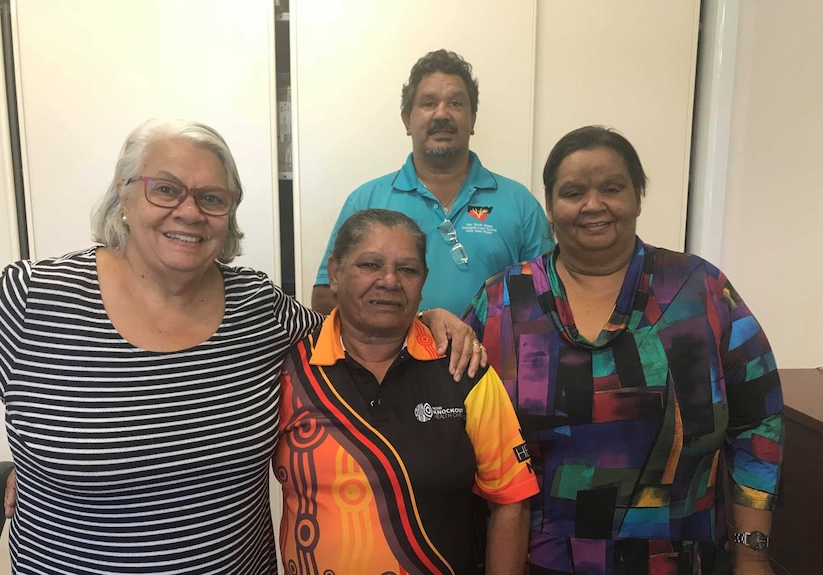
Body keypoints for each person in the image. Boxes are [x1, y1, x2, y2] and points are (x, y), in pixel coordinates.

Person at [0, 119, 485, 575]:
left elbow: (351, 331)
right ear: (123, 196)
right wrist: (45, 461)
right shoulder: (33, 300)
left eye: (212, 198)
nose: (190, 212)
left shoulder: (256, 307)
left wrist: (426, 318)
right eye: (165, 189)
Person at [461, 126, 784, 574]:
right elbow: (451, 418)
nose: (593, 205)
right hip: (533, 559)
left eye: (611, 188)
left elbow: (759, 419)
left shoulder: (699, 291)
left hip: (676, 559)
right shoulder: (502, 302)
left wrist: (751, 552)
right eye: (573, 192)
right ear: (550, 207)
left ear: (637, 195)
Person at [275, 209, 539, 574]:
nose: (388, 281)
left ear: (423, 280)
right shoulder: (287, 370)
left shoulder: (464, 369)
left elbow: (511, 499)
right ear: (334, 273)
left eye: (407, 269)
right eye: (369, 264)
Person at [311, 49, 554, 316]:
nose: (441, 114)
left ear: (472, 119)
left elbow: (548, 300)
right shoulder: (366, 200)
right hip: (394, 358)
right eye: (428, 103)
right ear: (407, 120)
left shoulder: (520, 204)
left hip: (491, 358)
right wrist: (413, 331)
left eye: (456, 104)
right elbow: (325, 295)